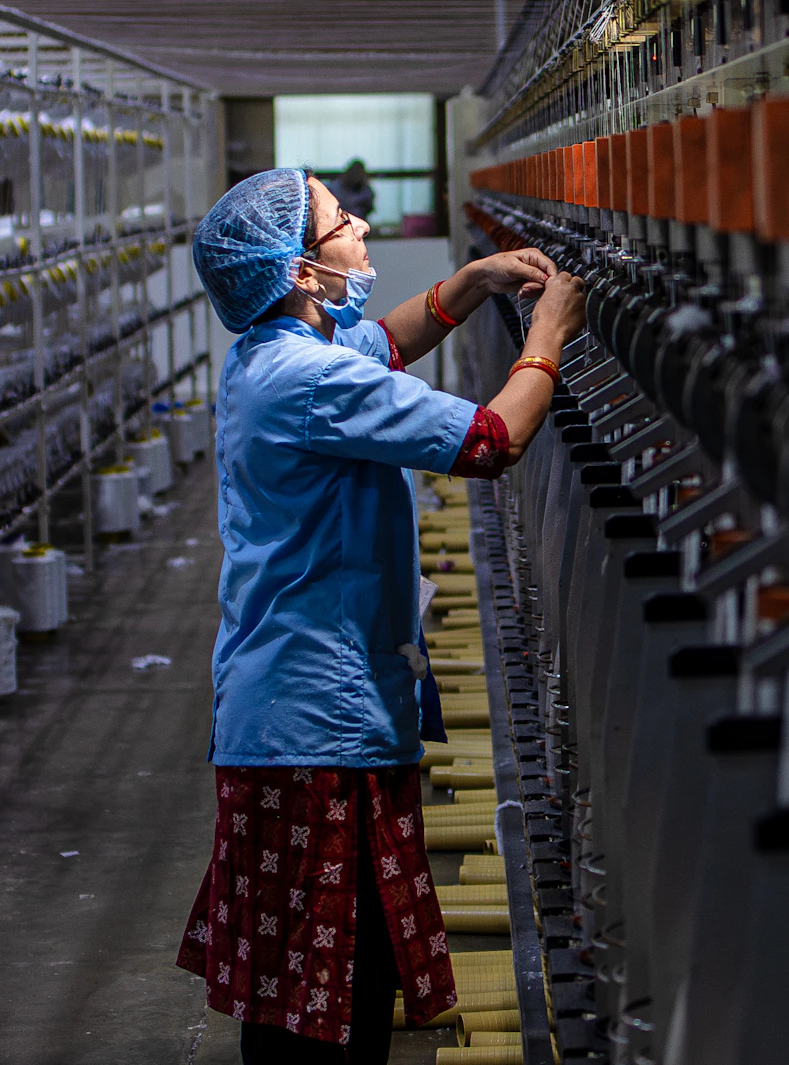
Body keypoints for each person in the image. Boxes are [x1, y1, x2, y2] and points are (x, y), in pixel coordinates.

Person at [178, 167, 585, 1064]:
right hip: (312, 730)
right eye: (337, 221)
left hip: (299, 716)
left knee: (331, 984)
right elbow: (492, 440)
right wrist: (547, 339)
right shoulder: (305, 382)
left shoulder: (277, 352)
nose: (357, 223)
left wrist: (473, 285)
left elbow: (382, 348)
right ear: (299, 270)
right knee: (323, 1007)